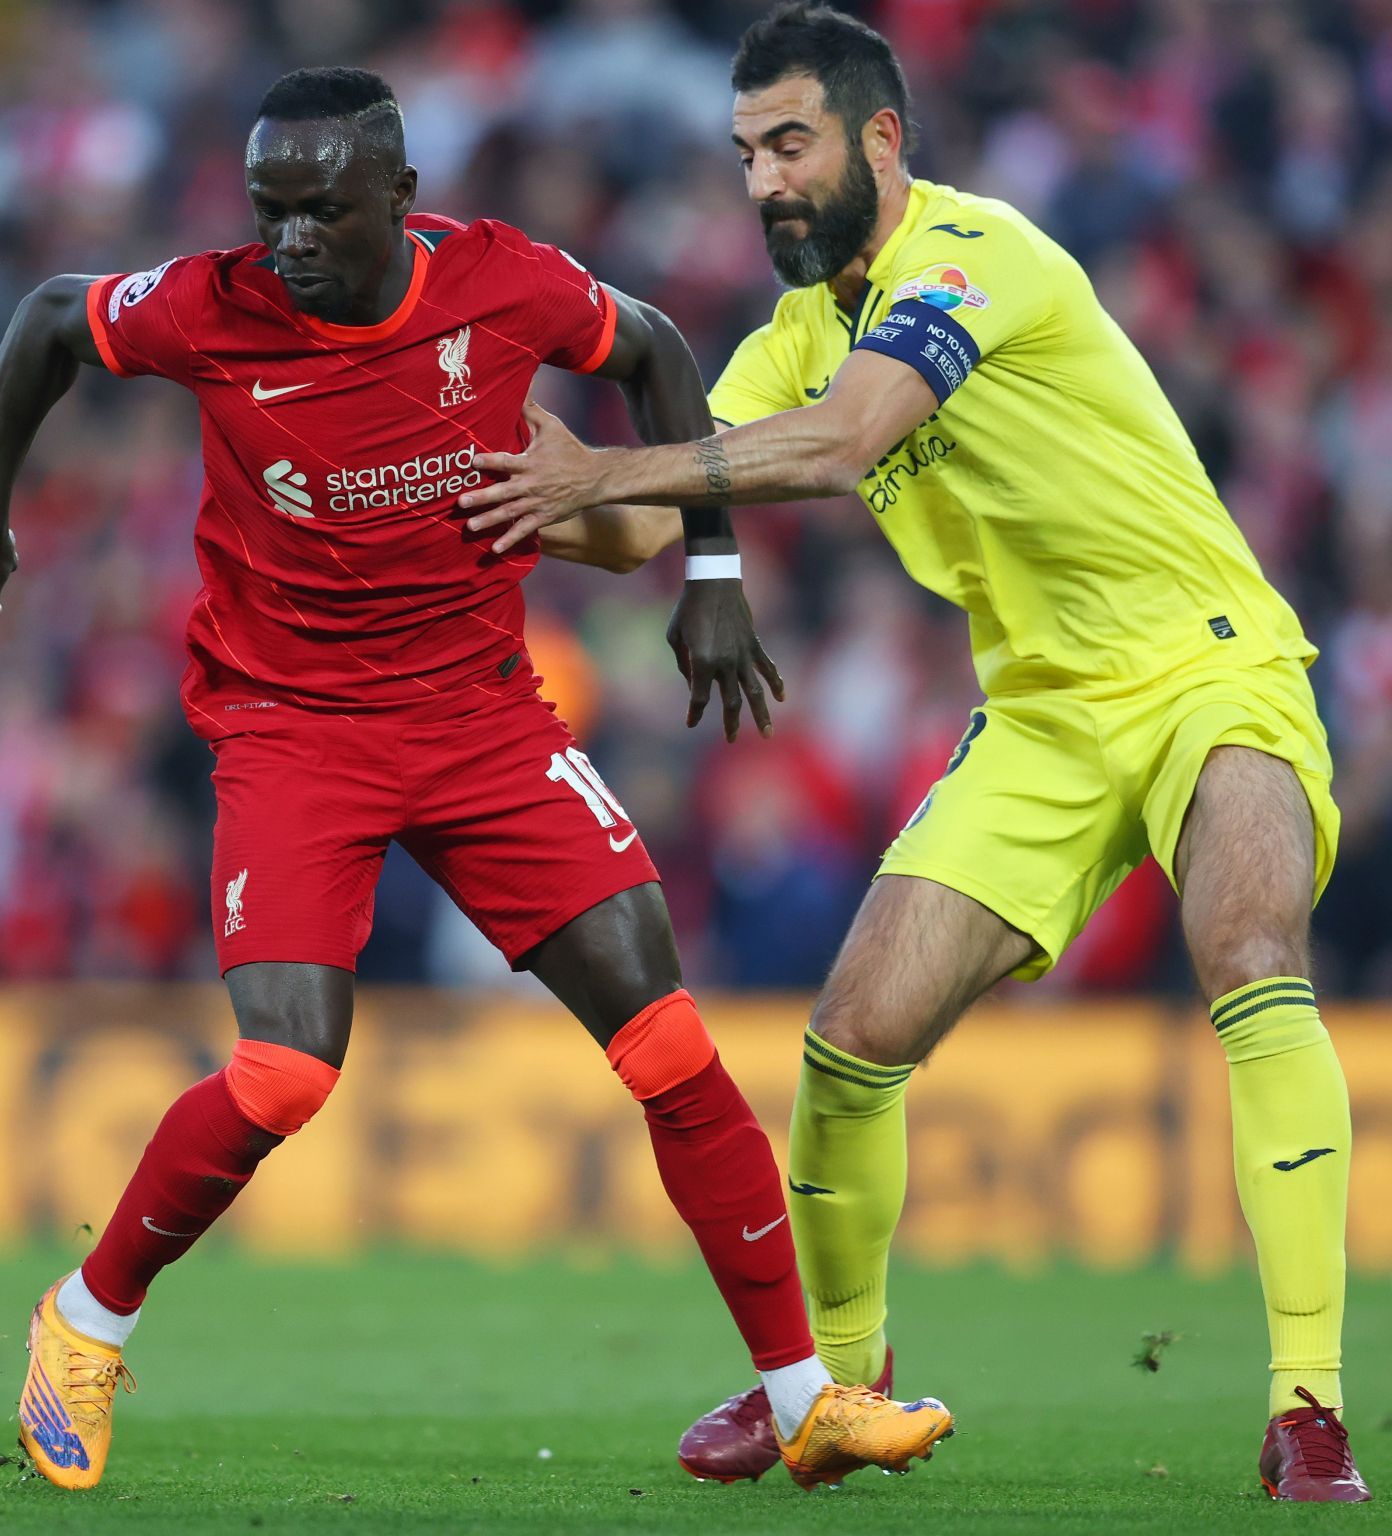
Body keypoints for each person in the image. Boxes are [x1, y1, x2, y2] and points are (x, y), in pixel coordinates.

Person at [0, 65, 953, 1494]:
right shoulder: (212, 305)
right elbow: (47, 319)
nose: (287, 242)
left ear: (400, 202)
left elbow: (654, 350)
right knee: (286, 1070)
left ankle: (806, 1398)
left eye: (321, 213)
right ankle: (82, 1323)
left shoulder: (506, 284)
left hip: (481, 722)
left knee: (666, 1044)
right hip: (293, 727)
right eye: (269, 210)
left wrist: (711, 569)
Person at [458, 3, 1369, 1504]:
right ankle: (833, 1387)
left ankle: (1307, 1409)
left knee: (1251, 945)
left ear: (882, 139)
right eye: (745, 152)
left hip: (1212, 663)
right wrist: (454, 489)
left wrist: (616, 461)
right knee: (852, 1039)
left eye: (791, 144)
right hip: (1042, 712)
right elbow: (637, 523)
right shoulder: (790, 336)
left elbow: (836, 442)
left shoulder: (977, 254)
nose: (762, 181)